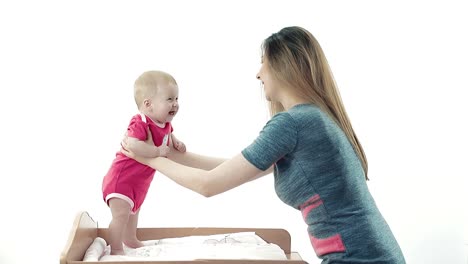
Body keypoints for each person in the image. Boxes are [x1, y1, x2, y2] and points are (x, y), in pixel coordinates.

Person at [121, 27, 406, 263]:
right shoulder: (313, 119)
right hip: (373, 253)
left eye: (263, 63)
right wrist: (170, 153)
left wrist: (148, 158)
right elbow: (230, 168)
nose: (258, 74)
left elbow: (207, 185)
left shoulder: (293, 123)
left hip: (360, 258)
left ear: (283, 67)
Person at [102, 70, 186, 255]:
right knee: (121, 216)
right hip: (121, 179)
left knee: (133, 214)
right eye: (170, 99)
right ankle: (116, 249)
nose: (176, 104)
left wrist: (176, 142)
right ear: (148, 105)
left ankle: (130, 240)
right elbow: (132, 144)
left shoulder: (165, 123)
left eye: (177, 98)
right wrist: (156, 151)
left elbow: (167, 135)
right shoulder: (140, 122)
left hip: (138, 182)